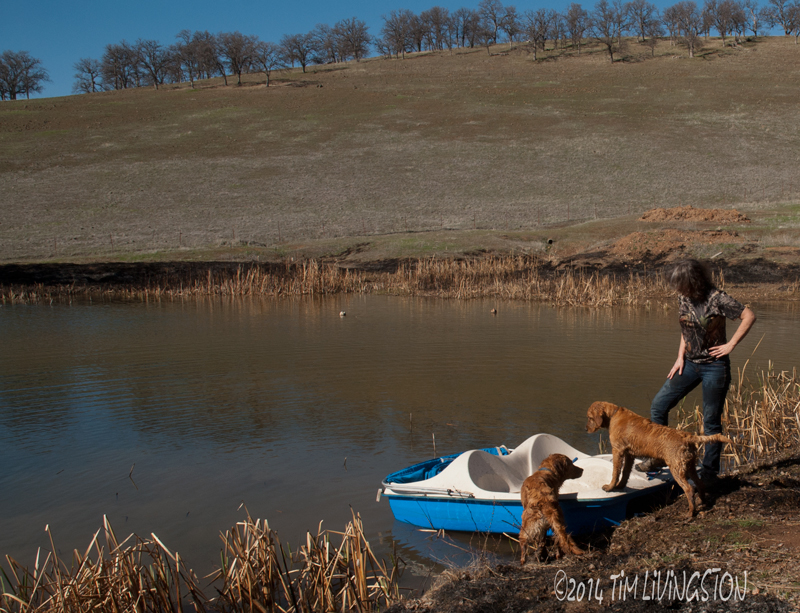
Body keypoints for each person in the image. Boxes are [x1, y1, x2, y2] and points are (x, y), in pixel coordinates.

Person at [637, 259, 756, 480]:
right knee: (659, 405)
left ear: (692, 281)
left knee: (711, 421)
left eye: (679, 283)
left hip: (715, 367)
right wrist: (679, 356)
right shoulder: (684, 297)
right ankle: (658, 456)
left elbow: (749, 315)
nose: (676, 288)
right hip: (689, 364)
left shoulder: (717, 298)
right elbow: (686, 327)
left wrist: (731, 345)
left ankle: (709, 473)